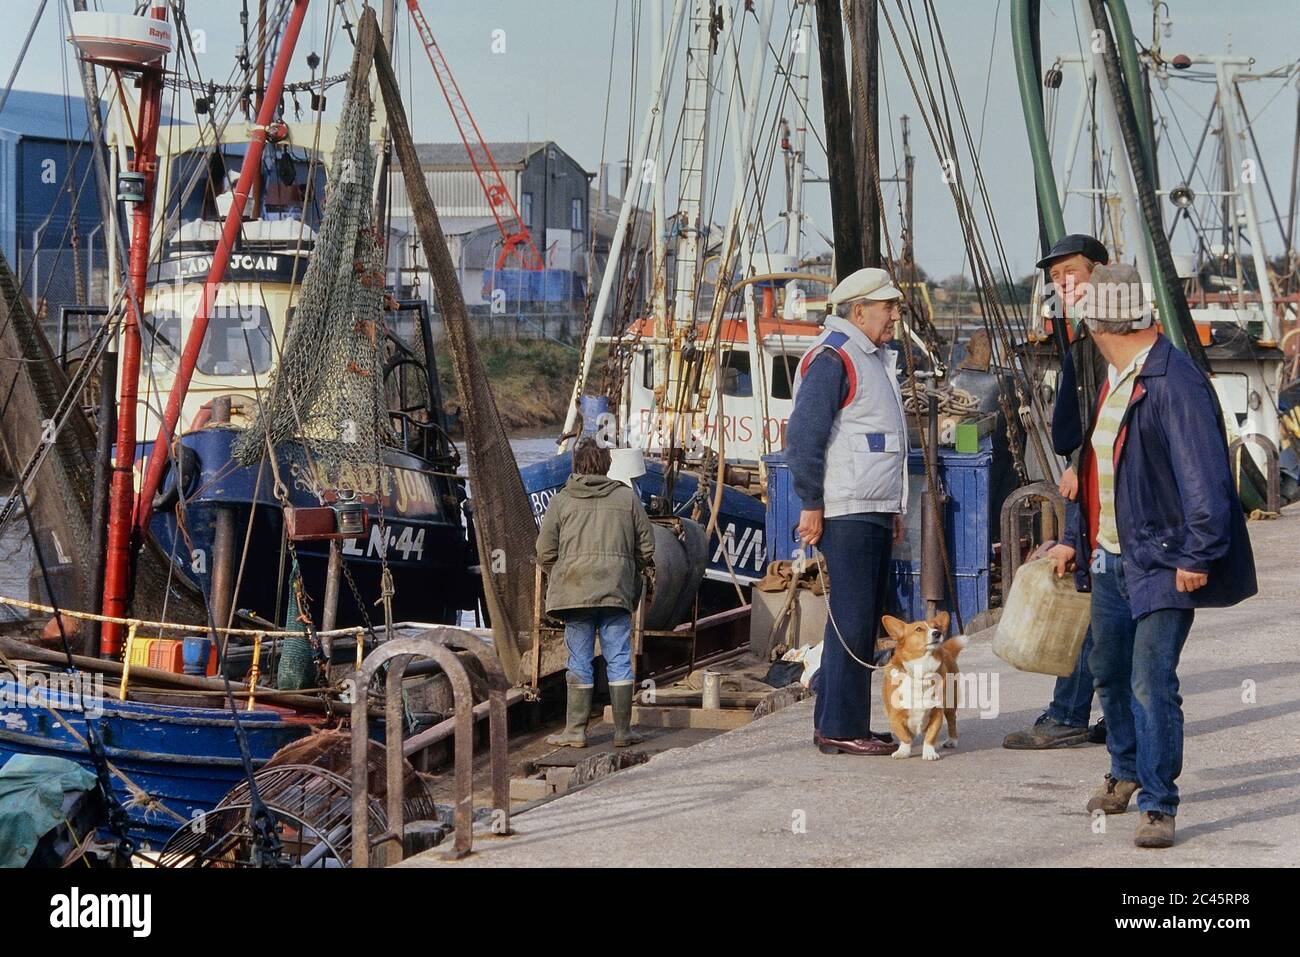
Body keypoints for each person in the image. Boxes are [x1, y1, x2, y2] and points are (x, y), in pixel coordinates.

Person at [1046, 263, 1257, 848]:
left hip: (1164, 559)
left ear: (1097, 325)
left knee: (1150, 681)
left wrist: (1197, 555)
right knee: (1109, 675)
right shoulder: (1120, 378)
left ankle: (1160, 803)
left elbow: (1206, 481)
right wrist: (1075, 536)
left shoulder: (1172, 381)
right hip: (1111, 555)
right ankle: (1126, 769)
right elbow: (1096, 470)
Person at [786, 267, 908, 756]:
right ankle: (840, 725)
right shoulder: (834, 358)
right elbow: (804, 436)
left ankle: (841, 721)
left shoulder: (871, 357)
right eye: (888, 306)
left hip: (872, 506)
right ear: (859, 310)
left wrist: (893, 507)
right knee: (853, 620)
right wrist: (811, 502)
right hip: (847, 508)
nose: (895, 315)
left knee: (858, 620)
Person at [1004, 233, 1111, 750]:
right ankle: (1115, 713)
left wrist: (1082, 463)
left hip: (1106, 489)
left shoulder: (1107, 335)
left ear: (1100, 272)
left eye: (1071, 272)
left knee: (1098, 595)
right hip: (1091, 475)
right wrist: (1077, 457)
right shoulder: (1084, 334)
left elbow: (1109, 415)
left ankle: (1070, 713)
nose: (1061, 284)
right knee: (1109, 600)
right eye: (1055, 276)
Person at [537, 437, 656, 749]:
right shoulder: (627, 498)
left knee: (579, 659)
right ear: (607, 466)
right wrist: (629, 568)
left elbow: (544, 551)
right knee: (618, 657)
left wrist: (561, 573)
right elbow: (647, 546)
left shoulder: (561, 500)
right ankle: (622, 732)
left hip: (574, 592)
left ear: (576, 465)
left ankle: (575, 732)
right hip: (616, 591)